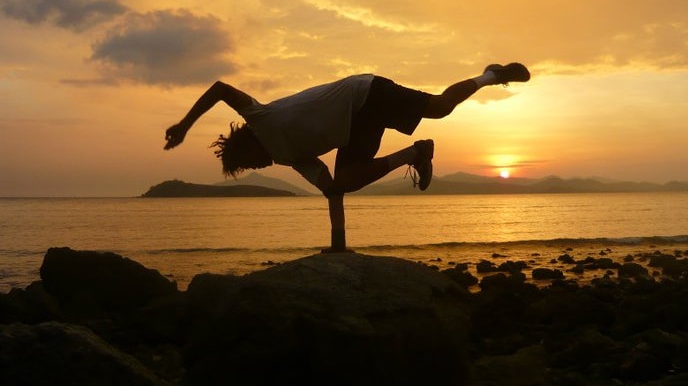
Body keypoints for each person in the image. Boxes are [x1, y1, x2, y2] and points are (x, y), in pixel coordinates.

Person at [164, 62, 530, 252]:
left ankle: (491, 75)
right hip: (356, 129)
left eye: (248, 162)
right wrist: (339, 245)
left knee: (438, 107)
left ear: (246, 145)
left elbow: (219, 88)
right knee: (343, 181)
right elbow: (333, 191)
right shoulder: (290, 157)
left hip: (363, 93)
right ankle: (417, 152)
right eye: (249, 170)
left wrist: (183, 125)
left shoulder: (260, 118)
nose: (255, 168)